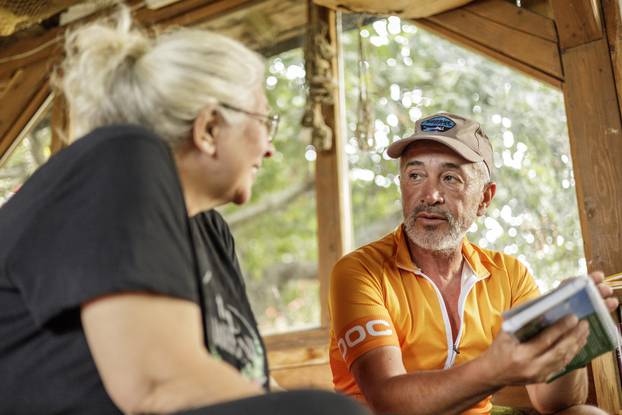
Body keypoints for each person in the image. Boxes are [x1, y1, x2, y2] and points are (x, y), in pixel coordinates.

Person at [0, 7, 368, 415]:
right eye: (266, 121)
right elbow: (159, 384)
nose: (269, 147)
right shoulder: (121, 156)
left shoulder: (209, 230)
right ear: (209, 128)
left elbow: (251, 381)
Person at [328, 112, 618, 415]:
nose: (430, 195)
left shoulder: (510, 274)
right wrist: (494, 369)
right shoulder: (358, 272)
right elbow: (388, 403)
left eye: (450, 178)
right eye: (415, 176)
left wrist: (572, 337)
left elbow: (553, 402)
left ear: (484, 199)